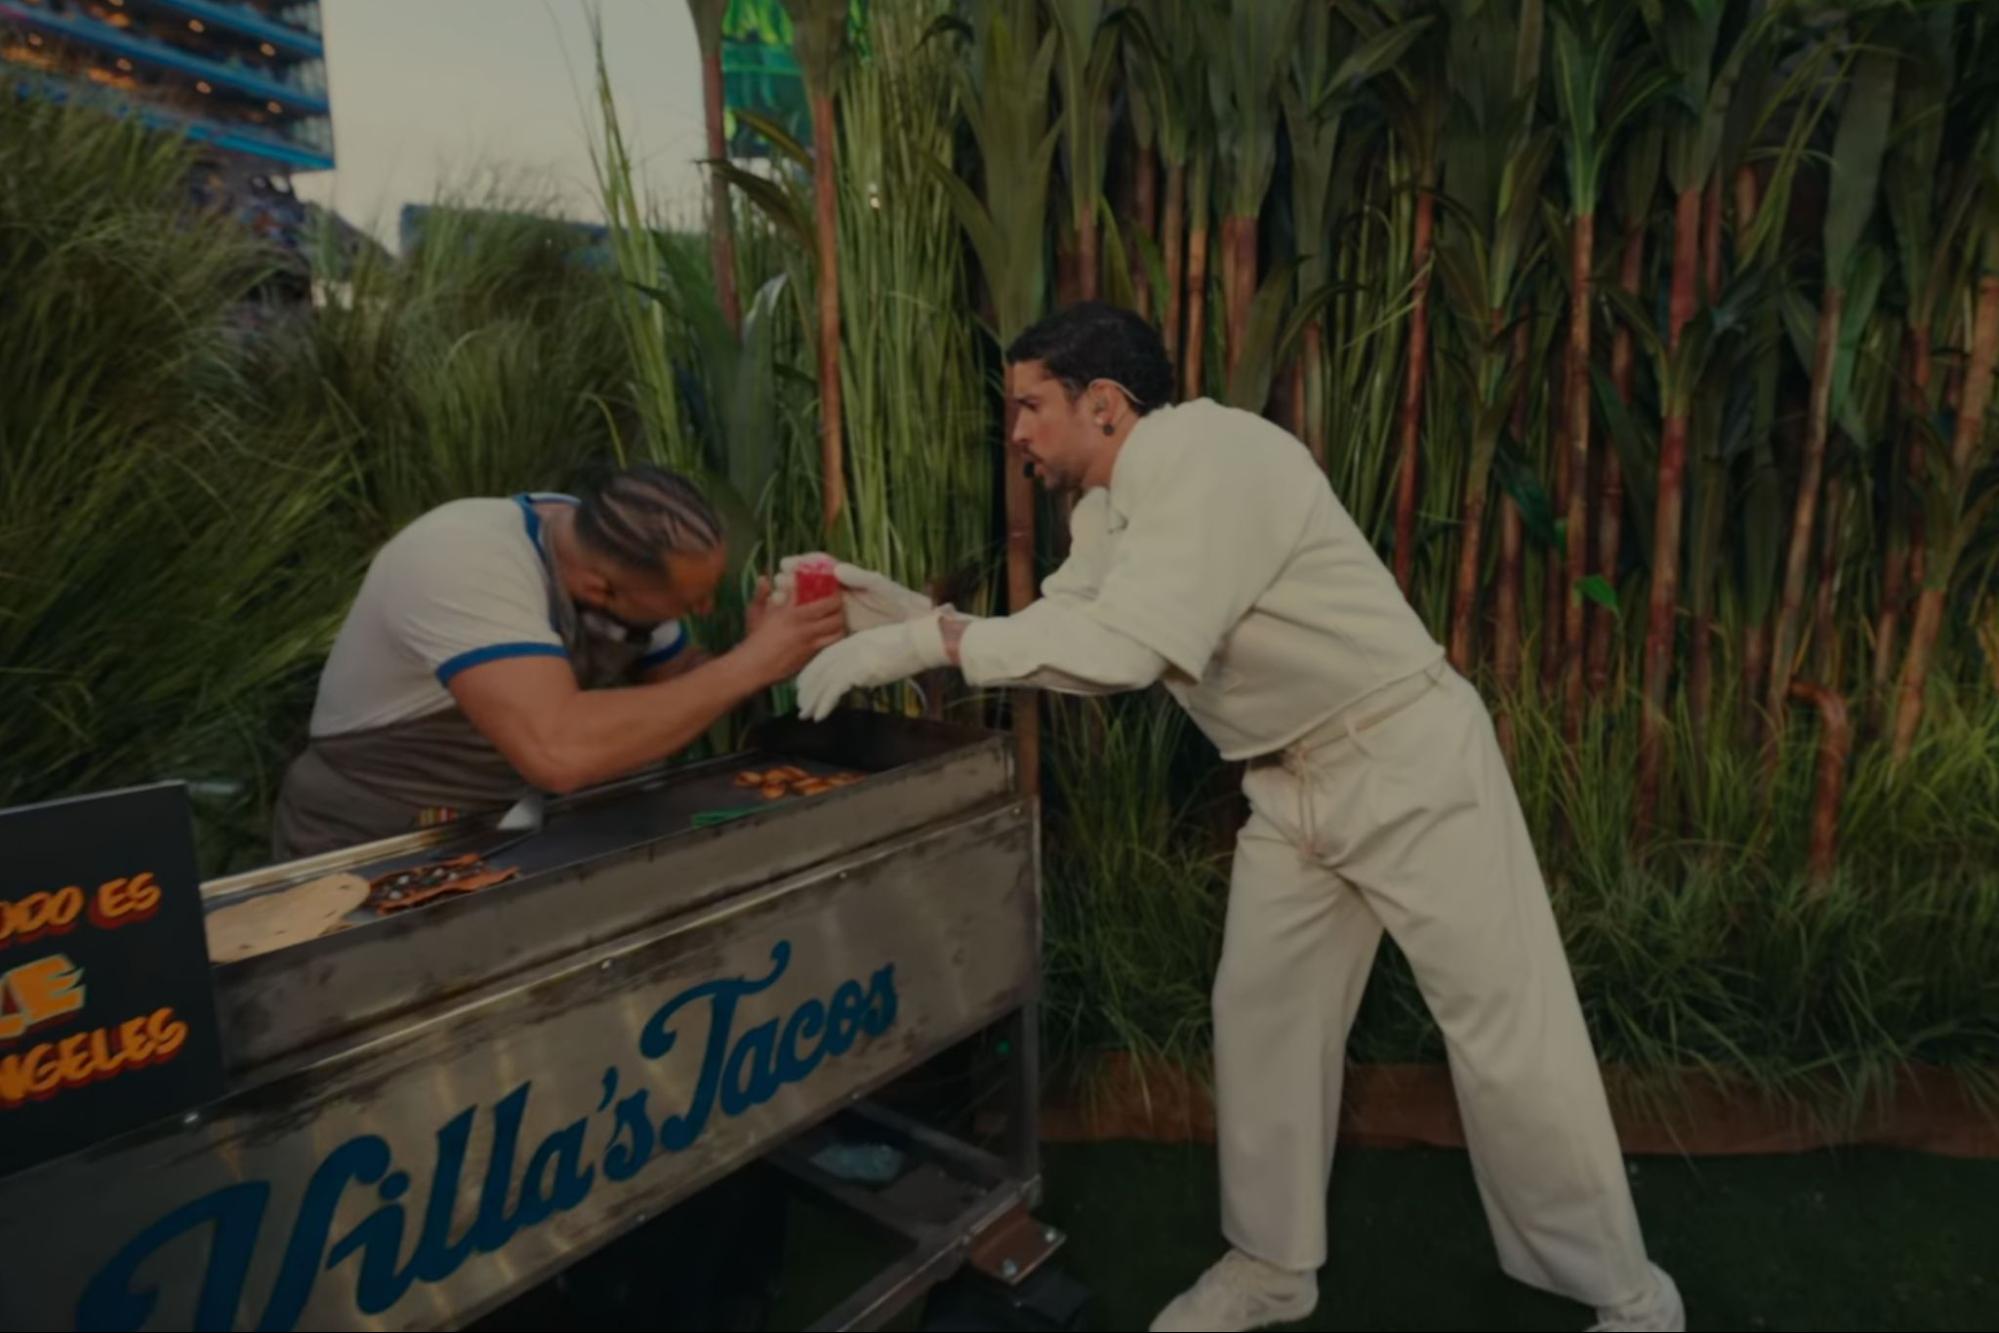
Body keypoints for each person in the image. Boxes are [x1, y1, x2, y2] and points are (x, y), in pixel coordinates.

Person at [781, 302, 1685, 1333]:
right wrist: (891, 612)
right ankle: (1271, 1268)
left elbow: (1126, 653)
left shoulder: (1215, 455)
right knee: (1260, 1016)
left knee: (1506, 1031)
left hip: (1407, 760)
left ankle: (1629, 1299)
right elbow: (1057, 635)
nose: (1018, 432)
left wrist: (916, 648)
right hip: (1286, 783)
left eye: (1031, 407)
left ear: (1105, 404)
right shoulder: (1106, 513)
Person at [273, 462, 844, 859]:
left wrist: (765, 655)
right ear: (599, 588)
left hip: (499, 829)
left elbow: (680, 687)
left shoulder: (617, 545)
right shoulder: (462, 562)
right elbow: (559, 751)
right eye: (690, 601)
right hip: (370, 838)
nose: (705, 608)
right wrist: (746, 666)